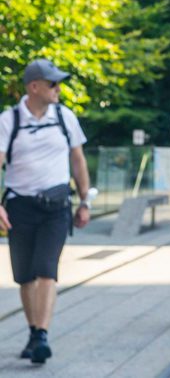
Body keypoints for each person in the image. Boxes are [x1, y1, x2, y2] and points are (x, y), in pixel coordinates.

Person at [0, 59, 91, 364]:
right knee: (24, 275)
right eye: (52, 83)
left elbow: (77, 160)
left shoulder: (65, 118)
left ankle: (42, 334)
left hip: (56, 206)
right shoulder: (9, 121)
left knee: (45, 269)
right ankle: (33, 330)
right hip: (20, 207)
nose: (58, 88)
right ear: (34, 87)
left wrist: (84, 201)